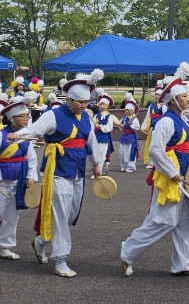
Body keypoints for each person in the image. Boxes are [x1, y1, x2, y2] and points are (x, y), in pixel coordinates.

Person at [120, 62, 189, 277]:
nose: (188, 99)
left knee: (185, 222)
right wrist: (172, 171)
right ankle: (127, 252)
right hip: (170, 179)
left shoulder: (184, 121)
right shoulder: (166, 122)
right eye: (184, 96)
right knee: (163, 220)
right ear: (173, 100)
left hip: (184, 179)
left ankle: (182, 264)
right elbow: (156, 150)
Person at [15, 70, 104, 277]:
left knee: (71, 214)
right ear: (69, 99)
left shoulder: (86, 117)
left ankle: (40, 241)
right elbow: (33, 131)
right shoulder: (53, 115)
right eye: (80, 102)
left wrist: (96, 163)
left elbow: (90, 141)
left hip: (78, 171)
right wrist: (15, 135)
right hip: (57, 170)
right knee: (61, 215)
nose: (83, 105)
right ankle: (60, 260)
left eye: (86, 102)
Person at [0, 93, 38, 260]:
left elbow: (31, 158)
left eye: (27, 116)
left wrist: (30, 175)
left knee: (12, 217)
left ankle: (5, 247)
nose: (25, 119)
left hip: (18, 181)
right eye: (21, 116)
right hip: (2, 182)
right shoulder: (1, 135)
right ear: (10, 118)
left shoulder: (26, 137)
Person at [141, 82, 165, 168]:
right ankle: (151, 162)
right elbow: (148, 116)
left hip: (160, 127)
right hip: (152, 126)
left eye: (158, 95)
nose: (156, 96)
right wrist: (143, 126)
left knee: (160, 144)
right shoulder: (151, 105)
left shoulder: (164, 106)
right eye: (156, 94)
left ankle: (159, 161)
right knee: (152, 144)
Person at [93, 89, 115, 177]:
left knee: (101, 155)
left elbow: (109, 127)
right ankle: (97, 170)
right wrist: (94, 126)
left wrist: (100, 127)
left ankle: (99, 173)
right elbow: (92, 125)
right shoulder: (96, 115)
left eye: (103, 104)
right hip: (96, 137)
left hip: (104, 138)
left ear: (107, 105)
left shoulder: (109, 116)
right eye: (100, 104)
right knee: (95, 155)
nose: (101, 106)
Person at [119, 93, 140, 173]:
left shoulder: (134, 118)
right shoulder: (124, 118)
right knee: (122, 152)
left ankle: (130, 166)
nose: (126, 111)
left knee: (130, 151)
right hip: (124, 136)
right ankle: (124, 165)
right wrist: (121, 125)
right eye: (125, 109)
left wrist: (132, 124)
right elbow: (120, 125)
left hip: (131, 137)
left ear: (132, 111)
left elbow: (137, 127)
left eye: (128, 110)